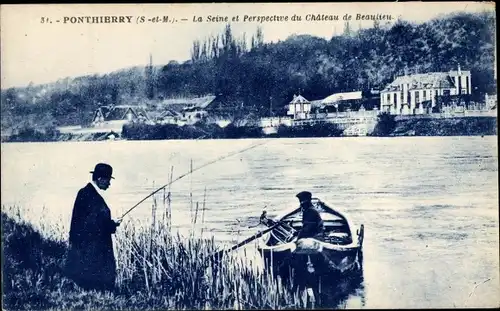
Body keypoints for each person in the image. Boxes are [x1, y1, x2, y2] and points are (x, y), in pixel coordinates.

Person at [64, 163, 121, 292]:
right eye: (108, 180)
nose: (109, 184)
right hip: (92, 250)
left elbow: (92, 222)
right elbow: (95, 226)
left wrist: (110, 223)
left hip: (86, 248)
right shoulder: (91, 196)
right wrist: (112, 224)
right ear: (100, 179)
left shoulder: (86, 193)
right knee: (97, 282)